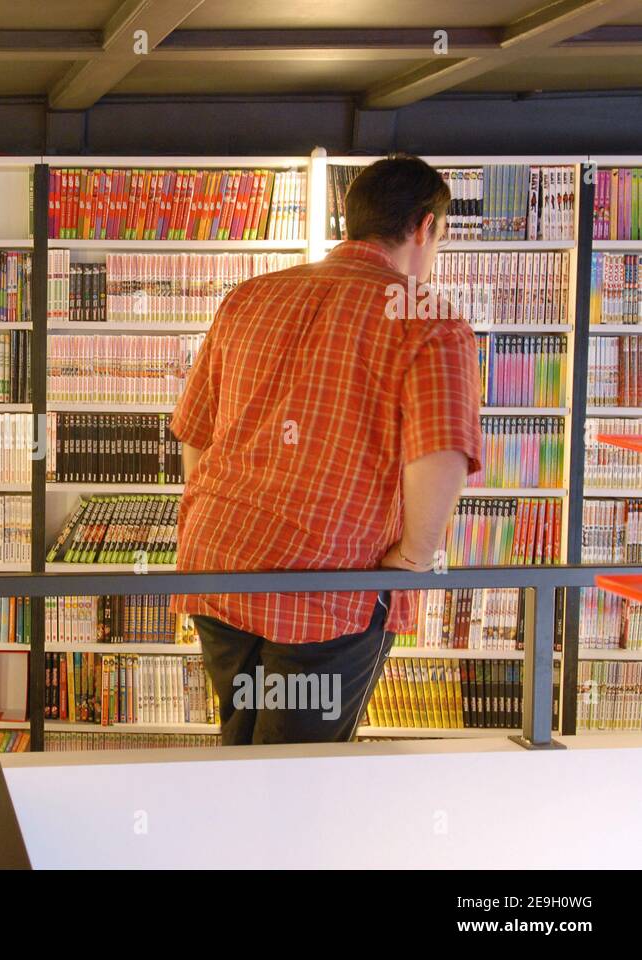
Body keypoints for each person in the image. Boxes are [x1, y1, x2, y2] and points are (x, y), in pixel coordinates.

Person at [170, 154, 481, 745]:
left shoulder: (251, 296)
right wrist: (412, 559)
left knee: (242, 738)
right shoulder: (430, 321)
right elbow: (440, 453)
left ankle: (230, 836)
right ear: (424, 227)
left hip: (218, 562)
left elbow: (195, 434)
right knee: (297, 773)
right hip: (329, 581)